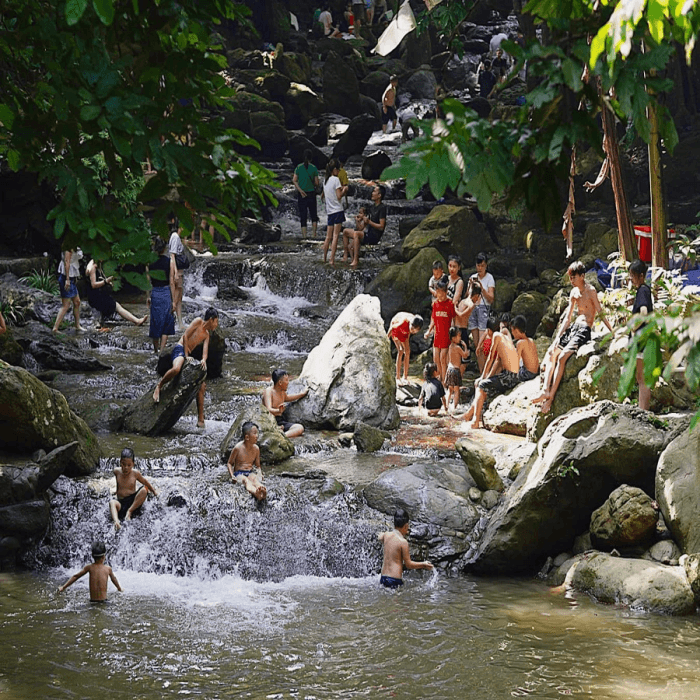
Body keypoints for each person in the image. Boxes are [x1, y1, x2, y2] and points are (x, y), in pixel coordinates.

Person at [532, 260, 614, 415]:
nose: (571, 280)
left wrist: (612, 331)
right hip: (574, 327)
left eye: (573, 277)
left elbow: (600, 312)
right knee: (551, 353)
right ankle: (545, 390)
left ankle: (550, 399)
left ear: (582, 276)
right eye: (570, 277)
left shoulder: (591, 291)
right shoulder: (574, 293)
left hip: (584, 329)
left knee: (562, 358)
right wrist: (557, 337)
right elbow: (567, 318)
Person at [152, 307, 219, 428]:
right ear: (211, 319)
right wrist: (186, 355)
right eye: (216, 321)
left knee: (202, 385)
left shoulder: (206, 335)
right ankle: (159, 386)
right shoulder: (198, 321)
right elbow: (185, 336)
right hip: (180, 349)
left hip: (188, 354)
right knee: (177, 368)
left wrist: (203, 359)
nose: (217, 324)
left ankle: (201, 419)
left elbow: (205, 351)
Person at [464, 315, 520, 429]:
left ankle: (475, 420)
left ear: (489, 330)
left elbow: (490, 358)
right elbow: (497, 360)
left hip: (510, 376)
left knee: (481, 386)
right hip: (514, 375)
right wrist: (486, 376)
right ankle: (469, 415)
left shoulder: (496, 336)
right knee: (483, 383)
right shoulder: (503, 337)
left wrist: (484, 377)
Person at [378, 508, 433, 589]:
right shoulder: (403, 542)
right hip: (394, 579)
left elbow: (379, 537)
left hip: (383, 578)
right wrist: (423, 564)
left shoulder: (386, 535)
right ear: (406, 526)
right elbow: (409, 564)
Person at [85, 259, 147, 330]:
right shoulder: (93, 267)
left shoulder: (97, 265)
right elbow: (93, 285)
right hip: (95, 297)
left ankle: (99, 323)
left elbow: (101, 277)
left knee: (115, 305)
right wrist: (105, 282)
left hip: (99, 294)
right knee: (116, 306)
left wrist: (108, 282)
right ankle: (137, 321)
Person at [109, 447, 158, 530]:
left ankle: (130, 512)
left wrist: (153, 491)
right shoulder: (116, 471)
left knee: (144, 489)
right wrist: (116, 491)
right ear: (120, 462)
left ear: (133, 464)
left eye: (129, 465)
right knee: (112, 502)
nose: (126, 468)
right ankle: (116, 522)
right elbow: (119, 484)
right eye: (124, 465)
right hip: (121, 503)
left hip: (133, 502)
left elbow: (145, 482)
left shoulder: (135, 473)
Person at [57, 541, 123, 601]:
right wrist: (119, 589)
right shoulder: (108, 569)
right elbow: (114, 579)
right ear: (103, 557)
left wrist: (63, 587)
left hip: (92, 601)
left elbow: (76, 577)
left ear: (92, 556)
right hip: (104, 601)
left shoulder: (89, 567)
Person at [628, 259, 653, 410]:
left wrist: (633, 327)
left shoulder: (643, 290)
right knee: (640, 378)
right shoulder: (642, 291)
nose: (630, 278)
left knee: (643, 379)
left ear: (641, 276)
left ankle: (643, 411)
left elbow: (643, 312)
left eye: (632, 275)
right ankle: (641, 408)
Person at [341, 184, 386, 269]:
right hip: (367, 232)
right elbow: (360, 228)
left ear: (379, 195)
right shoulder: (372, 207)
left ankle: (355, 260)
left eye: (374, 191)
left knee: (356, 235)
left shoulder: (382, 208)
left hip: (374, 236)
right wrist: (358, 221)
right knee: (345, 232)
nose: (372, 193)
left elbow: (381, 226)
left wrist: (369, 222)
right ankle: (346, 256)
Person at [146, 237, 177, 354]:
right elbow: (172, 282)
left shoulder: (150, 262)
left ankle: (155, 350)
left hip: (154, 292)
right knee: (166, 323)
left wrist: (148, 297)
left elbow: (147, 282)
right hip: (165, 293)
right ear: (165, 249)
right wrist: (174, 301)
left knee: (155, 322)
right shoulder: (169, 262)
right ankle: (162, 351)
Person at [262, 368, 309, 438]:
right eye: (286, 380)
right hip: (269, 421)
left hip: (280, 421)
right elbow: (268, 409)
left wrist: (302, 394)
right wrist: (278, 411)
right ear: (280, 383)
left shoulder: (282, 392)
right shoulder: (268, 392)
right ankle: (277, 432)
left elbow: (288, 398)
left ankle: (282, 436)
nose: (288, 382)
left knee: (300, 428)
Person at [468, 253, 495, 372]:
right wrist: (471, 286)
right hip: (473, 308)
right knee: (476, 343)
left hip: (484, 308)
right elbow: (468, 297)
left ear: (486, 266)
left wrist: (482, 288)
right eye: (478, 265)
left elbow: (491, 298)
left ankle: (486, 371)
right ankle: (481, 372)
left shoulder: (489, 278)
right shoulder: (473, 277)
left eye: (482, 266)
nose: (480, 268)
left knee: (482, 343)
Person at [227, 421, 266, 501]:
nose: (257, 436)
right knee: (246, 481)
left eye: (257, 433)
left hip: (250, 472)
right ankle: (256, 492)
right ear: (247, 437)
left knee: (254, 479)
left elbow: (258, 466)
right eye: (255, 433)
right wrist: (232, 476)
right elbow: (229, 463)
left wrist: (259, 473)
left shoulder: (256, 449)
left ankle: (262, 490)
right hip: (239, 473)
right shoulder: (238, 448)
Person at [321, 159, 348, 267]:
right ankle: (332, 259)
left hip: (330, 212)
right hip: (337, 211)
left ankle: (324, 258)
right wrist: (345, 189)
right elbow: (339, 196)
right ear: (335, 170)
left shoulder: (325, 181)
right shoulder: (336, 180)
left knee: (328, 237)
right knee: (336, 236)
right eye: (338, 170)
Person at [52, 248, 86, 333]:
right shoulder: (68, 247)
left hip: (71, 277)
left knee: (77, 302)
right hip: (66, 278)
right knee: (66, 305)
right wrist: (67, 280)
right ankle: (55, 328)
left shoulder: (75, 245)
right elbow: (67, 262)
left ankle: (77, 325)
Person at [387, 312, 424, 384]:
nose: (413, 331)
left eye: (415, 331)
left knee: (407, 352)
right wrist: (386, 339)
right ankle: (397, 377)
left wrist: (410, 331)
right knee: (400, 351)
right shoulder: (403, 321)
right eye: (412, 329)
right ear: (410, 324)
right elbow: (392, 328)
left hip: (405, 332)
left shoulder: (415, 322)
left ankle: (405, 377)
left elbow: (408, 334)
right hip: (396, 328)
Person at [293, 149, 320, 239]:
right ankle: (314, 235)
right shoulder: (314, 168)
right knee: (313, 215)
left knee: (303, 215)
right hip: (311, 193)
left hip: (302, 194)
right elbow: (316, 183)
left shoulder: (298, 167)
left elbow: (294, 180)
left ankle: (304, 236)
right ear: (311, 158)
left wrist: (300, 190)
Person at [445, 327, 470, 412]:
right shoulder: (458, 348)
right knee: (456, 391)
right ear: (453, 338)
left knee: (450, 389)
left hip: (449, 369)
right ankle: (454, 408)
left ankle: (446, 405)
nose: (460, 338)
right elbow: (465, 355)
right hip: (455, 370)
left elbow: (448, 359)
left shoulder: (450, 347)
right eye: (459, 336)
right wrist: (465, 346)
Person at [168, 226, 188, 331]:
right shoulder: (175, 236)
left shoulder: (175, 236)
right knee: (176, 298)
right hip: (178, 271)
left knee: (179, 297)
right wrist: (175, 272)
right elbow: (172, 255)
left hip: (178, 271)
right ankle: (168, 318)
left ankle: (180, 323)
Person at [511, 314, 539, 382]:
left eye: (512, 330)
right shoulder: (531, 340)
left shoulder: (520, 343)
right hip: (536, 371)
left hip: (528, 374)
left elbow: (516, 363)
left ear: (516, 330)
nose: (512, 333)